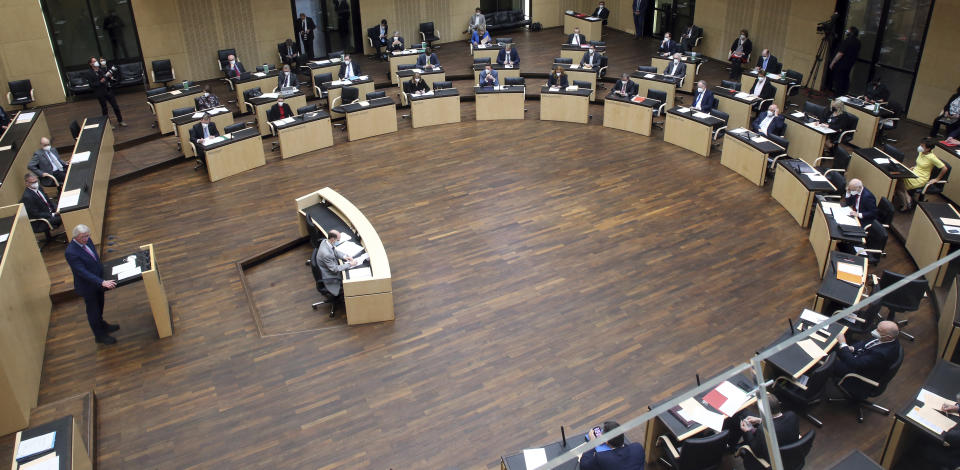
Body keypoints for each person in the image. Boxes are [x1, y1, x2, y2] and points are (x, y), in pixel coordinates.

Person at [65, 224, 119, 344]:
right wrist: (102, 281)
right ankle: (99, 336)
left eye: (88, 236)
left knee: (100, 306)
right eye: (84, 237)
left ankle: (102, 325)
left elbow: (94, 258)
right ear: (76, 237)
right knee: (93, 312)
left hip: (98, 282)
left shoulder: (87, 241)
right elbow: (82, 272)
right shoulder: (71, 252)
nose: (87, 239)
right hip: (88, 286)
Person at [833, 320, 901, 396]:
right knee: (835, 347)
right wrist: (852, 348)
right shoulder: (889, 339)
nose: (875, 331)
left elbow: (854, 364)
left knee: (827, 362)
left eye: (879, 330)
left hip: (857, 374)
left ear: (888, 337)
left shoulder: (881, 354)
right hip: (862, 358)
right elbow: (865, 343)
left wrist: (843, 344)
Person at [738, 395, 800, 461]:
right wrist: (760, 420)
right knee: (745, 413)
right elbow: (777, 421)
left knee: (740, 419)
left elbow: (757, 452)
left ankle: (731, 448)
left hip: (773, 460)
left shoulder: (763, 430)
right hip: (790, 449)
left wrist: (748, 431)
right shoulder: (792, 415)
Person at [315, 230, 358, 318]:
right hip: (331, 277)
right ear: (332, 239)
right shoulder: (326, 253)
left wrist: (345, 257)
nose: (338, 241)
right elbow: (335, 269)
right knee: (353, 278)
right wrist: (350, 264)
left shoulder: (325, 242)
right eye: (338, 240)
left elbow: (335, 252)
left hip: (330, 269)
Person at [896, 138, 948, 211]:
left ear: (928, 149)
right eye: (920, 145)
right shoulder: (921, 152)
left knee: (897, 185)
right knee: (898, 179)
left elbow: (944, 168)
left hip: (920, 178)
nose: (920, 147)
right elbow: (921, 163)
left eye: (922, 146)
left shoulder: (932, 157)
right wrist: (914, 167)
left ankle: (905, 205)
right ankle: (908, 197)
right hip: (914, 173)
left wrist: (937, 179)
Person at [579, 421, 645, 470]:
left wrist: (593, 442)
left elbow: (583, 465)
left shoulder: (602, 458)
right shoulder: (638, 447)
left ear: (606, 441)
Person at [85, 56, 126, 127]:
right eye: (94, 61)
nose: (96, 62)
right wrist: (100, 82)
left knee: (115, 106)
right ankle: (108, 124)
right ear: (91, 64)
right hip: (100, 93)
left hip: (108, 90)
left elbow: (106, 78)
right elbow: (91, 85)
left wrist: (109, 77)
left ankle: (120, 120)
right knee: (104, 109)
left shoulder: (101, 70)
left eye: (96, 61)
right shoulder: (89, 73)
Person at [830, 26, 861, 96]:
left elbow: (840, 53)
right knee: (845, 81)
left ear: (851, 32)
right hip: (849, 65)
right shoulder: (858, 42)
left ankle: (837, 96)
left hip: (841, 65)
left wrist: (833, 62)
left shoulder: (847, 41)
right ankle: (843, 96)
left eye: (848, 30)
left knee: (838, 82)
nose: (846, 31)